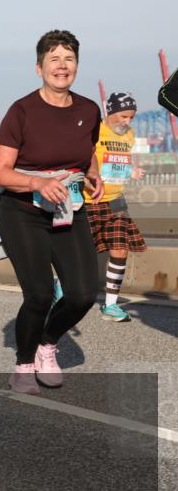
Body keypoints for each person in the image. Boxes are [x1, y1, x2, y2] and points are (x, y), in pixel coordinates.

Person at [0, 30, 103, 395]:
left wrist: (93, 176)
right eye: (54, 59)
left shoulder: (89, 110)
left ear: (77, 66)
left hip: (68, 207)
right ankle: (23, 365)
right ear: (39, 68)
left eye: (69, 59)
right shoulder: (21, 111)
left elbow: (89, 152)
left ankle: (47, 343)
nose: (62, 66)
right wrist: (37, 183)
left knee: (83, 294)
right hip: (23, 210)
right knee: (39, 295)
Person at [82, 92, 148, 323]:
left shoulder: (130, 135)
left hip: (116, 200)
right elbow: (83, 160)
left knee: (120, 249)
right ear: (109, 112)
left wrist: (131, 171)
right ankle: (62, 284)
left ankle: (110, 305)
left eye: (131, 117)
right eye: (123, 116)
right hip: (89, 199)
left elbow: (118, 163)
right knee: (80, 252)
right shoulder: (94, 130)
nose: (127, 122)